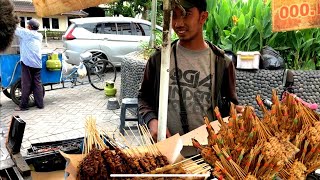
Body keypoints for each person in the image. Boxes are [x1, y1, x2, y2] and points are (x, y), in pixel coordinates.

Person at [138, 0, 243, 141]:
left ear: (203, 17)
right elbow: (143, 97)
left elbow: (229, 106)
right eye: (174, 15)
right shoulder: (159, 60)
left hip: (209, 153)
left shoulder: (221, 63)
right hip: (167, 151)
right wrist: (152, 121)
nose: (178, 23)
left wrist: (238, 113)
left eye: (186, 14)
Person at [14, 19, 44, 111]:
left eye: (28, 25)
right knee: (37, 84)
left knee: (26, 84)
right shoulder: (39, 35)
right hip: (37, 63)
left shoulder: (26, 34)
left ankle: (23, 106)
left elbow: (15, 29)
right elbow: (23, 30)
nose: (26, 26)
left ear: (30, 27)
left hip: (27, 62)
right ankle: (40, 104)